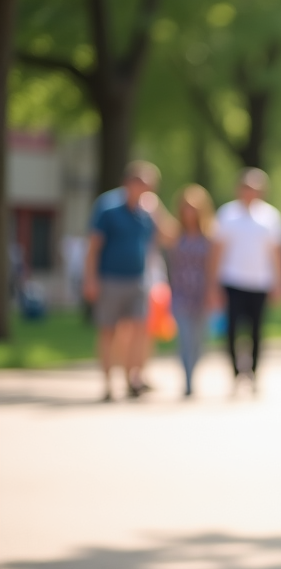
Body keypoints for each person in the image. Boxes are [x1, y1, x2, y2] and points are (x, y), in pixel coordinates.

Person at [82, 161, 175, 401]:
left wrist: (158, 209)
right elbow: (93, 247)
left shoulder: (147, 212)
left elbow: (169, 237)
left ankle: (132, 379)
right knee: (109, 331)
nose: (147, 190)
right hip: (110, 279)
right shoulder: (108, 207)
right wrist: (90, 279)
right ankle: (107, 383)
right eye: (143, 184)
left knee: (139, 330)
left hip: (138, 279)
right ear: (129, 182)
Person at [210, 168, 281, 387]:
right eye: (246, 187)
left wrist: (280, 282)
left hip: (260, 282)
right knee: (232, 328)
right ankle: (235, 371)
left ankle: (253, 371)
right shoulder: (227, 214)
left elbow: (279, 253)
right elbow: (217, 251)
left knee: (256, 330)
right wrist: (213, 284)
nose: (250, 192)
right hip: (232, 280)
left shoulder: (271, 216)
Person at [164, 184, 216, 397]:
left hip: (202, 293)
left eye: (194, 208)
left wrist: (213, 292)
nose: (189, 212)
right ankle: (187, 381)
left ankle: (193, 371)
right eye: (185, 207)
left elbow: (214, 267)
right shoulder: (175, 234)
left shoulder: (211, 237)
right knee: (184, 338)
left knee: (199, 341)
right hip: (181, 293)